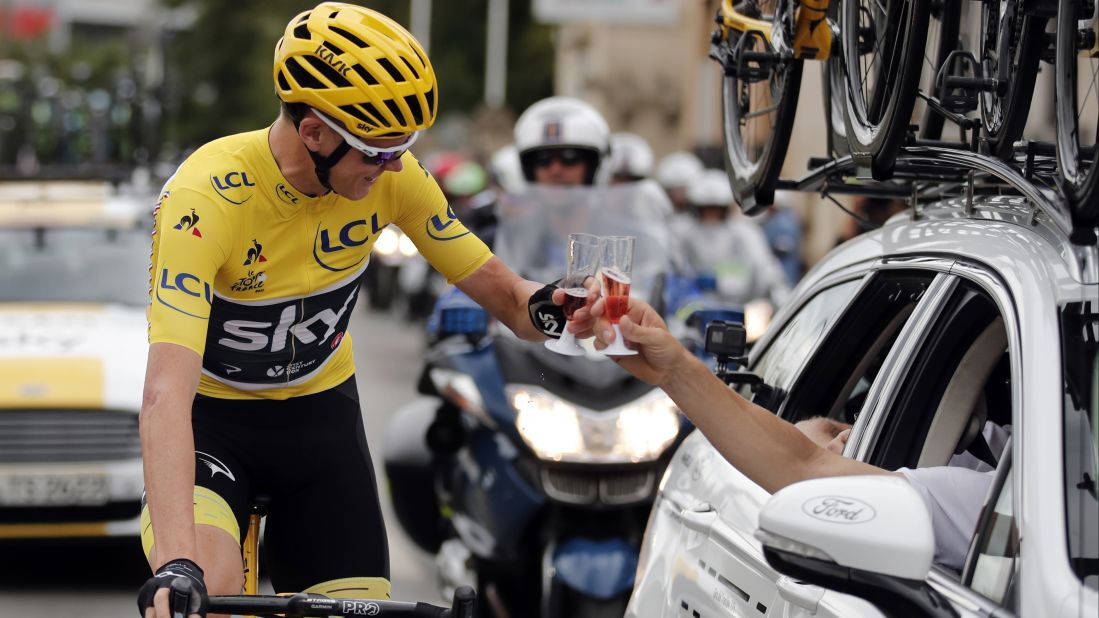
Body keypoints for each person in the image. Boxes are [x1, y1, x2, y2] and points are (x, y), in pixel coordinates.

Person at [137, 5, 581, 618]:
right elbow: (164, 394)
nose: (396, 165)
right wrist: (177, 567)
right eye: (377, 151)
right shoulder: (206, 196)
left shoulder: (391, 179)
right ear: (314, 133)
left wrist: (560, 309)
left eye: (405, 147)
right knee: (200, 599)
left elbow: (509, 299)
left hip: (321, 424)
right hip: (214, 427)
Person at [579, 296, 996, 572]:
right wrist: (673, 371)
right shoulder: (995, 487)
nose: (841, 446)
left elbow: (804, 466)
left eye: (841, 435)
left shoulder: (1010, 493)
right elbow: (803, 463)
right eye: (840, 435)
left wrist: (675, 372)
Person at [682, 169, 790, 308]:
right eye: (706, 209)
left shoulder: (744, 234)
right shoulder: (686, 235)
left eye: (716, 209)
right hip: (697, 309)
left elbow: (764, 266)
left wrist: (780, 295)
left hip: (742, 310)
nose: (711, 215)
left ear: (725, 209)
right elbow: (677, 271)